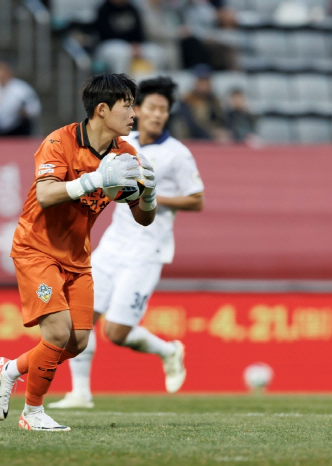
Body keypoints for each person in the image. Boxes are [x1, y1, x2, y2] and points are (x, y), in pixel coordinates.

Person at [0, 74, 158, 431]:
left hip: (78, 258)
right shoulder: (59, 142)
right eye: (127, 105)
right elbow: (48, 194)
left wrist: (148, 196)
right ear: (102, 109)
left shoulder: (126, 155)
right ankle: (32, 413)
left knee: (78, 342)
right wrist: (95, 179)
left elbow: (143, 219)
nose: (134, 114)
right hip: (37, 249)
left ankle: (11, 369)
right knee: (56, 332)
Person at [48, 76, 204, 409]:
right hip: (113, 245)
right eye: (151, 107)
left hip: (147, 252)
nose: (157, 115)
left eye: (164, 109)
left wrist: (151, 196)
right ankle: (80, 393)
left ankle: (168, 350)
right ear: (138, 109)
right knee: (82, 320)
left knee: (116, 333)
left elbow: (197, 200)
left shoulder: (177, 154)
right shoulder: (122, 143)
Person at [93, 0, 166, 74]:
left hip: (132, 45)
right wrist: (130, 46)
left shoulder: (132, 8)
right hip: (108, 45)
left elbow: (139, 32)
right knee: (122, 53)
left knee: (155, 52)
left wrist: (136, 45)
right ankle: (121, 83)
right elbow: (105, 33)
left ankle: (152, 83)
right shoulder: (103, 8)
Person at [171, 64, 230, 141]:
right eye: (201, 81)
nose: (204, 85)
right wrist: (212, 136)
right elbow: (191, 125)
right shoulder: (187, 100)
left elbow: (222, 120)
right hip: (192, 141)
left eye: (206, 80)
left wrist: (222, 132)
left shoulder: (214, 101)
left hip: (213, 141)